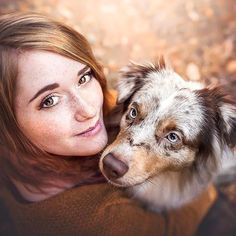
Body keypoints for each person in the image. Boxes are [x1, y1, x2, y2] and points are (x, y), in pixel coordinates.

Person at [0, 12, 217, 236]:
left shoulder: (56, 138)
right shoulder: (96, 222)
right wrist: (207, 190)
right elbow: (170, 229)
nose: (88, 110)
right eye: (50, 100)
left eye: (83, 78)